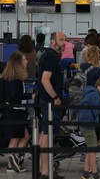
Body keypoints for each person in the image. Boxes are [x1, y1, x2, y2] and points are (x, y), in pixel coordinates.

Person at [37, 31, 66, 179]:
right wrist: (55, 97)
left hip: (46, 101)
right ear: (53, 41)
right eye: (61, 40)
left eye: (65, 40)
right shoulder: (51, 57)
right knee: (47, 136)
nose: (64, 43)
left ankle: (44, 170)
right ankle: (46, 172)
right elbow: (45, 79)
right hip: (49, 102)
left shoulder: (49, 55)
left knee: (45, 135)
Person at [1, 51, 35, 173]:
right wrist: (30, 96)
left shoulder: (13, 77)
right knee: (15, 139)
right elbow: (16, 97)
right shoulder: (15, 78)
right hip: (14, 112)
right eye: (24, 60)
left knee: (25, 135)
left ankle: (14, 160)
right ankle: (12, 162)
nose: (27, 61)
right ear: (18, 63)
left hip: (16, 112)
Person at [78, 76, 100, 179]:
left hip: (85, 124)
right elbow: (96, 111)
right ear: (99, 87)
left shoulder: (91, 93)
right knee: (92, 151)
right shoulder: (95, 96)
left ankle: (85, 174)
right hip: (88, 125)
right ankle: (95, 175)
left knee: (90, 150)